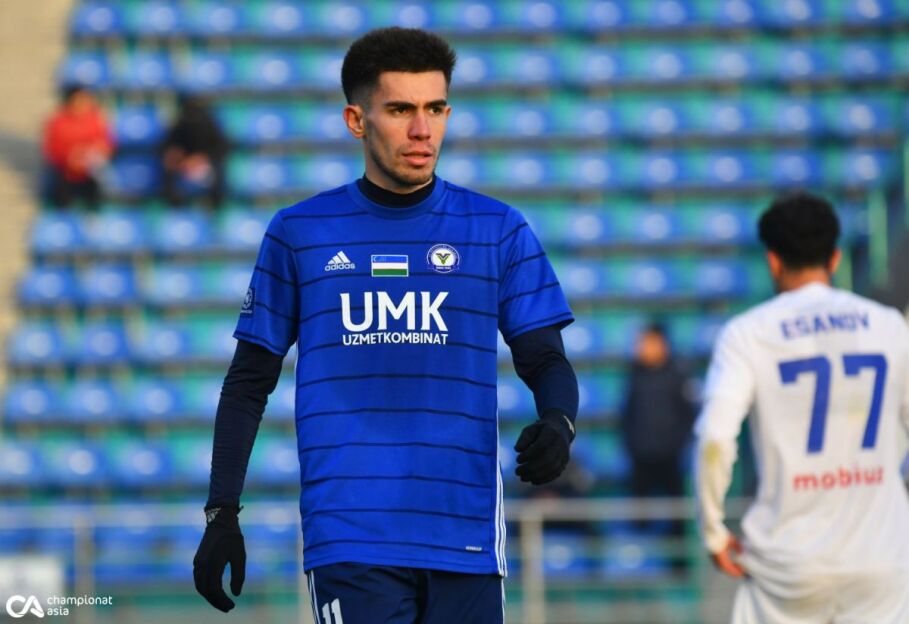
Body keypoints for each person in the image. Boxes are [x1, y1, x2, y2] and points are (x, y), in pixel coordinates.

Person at [192, 28, 579, 623]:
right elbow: (248, 383)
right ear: (357, 120)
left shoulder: (497, 229)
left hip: (466, 534)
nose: (422, 130)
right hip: (351, 538)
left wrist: (558, 420)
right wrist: (222, 511)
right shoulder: (300, 233)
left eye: (435, 109)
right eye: (400, 110)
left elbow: (546, 359)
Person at [695, 192, 909, 623]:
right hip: (880, 557)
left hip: (787, 565)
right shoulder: (889, 325)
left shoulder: (747, 334)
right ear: (835, 258)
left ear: (773, 261)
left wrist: (714, 530)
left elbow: (716, 437)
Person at [620, 322, 695, 564]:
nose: (643, 348)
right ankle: (638, 565)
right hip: (640, 457)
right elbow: (627, 414)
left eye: (648, 342)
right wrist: (632, 445)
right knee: (640, 517)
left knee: (676, 516)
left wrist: (676, 445)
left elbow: (688, 416)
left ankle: (679, 567)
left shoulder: (678, 375)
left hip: (670, 458)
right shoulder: (634, 374)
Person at [41, 84, 114, 209]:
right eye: (79, 99)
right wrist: (70, 157)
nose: (83, 103)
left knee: (100, 182)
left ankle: (94, 211)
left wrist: (96, 152)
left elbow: (106, 143)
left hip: (90, 170)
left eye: (86, 99)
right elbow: (51, 149)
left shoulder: (96, 119)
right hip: (66, 170)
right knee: (60, 190)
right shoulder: (57, 122)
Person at [161, 93, 228, 209]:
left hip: (206, 164)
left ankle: (215, 209)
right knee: (169, 167)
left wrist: (202, 158)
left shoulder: (209, 124)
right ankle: (175, 208)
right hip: (184, 164)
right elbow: (170, 146)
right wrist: (179, 157)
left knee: (219, 170)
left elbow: (221, 147)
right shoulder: (180, 124)